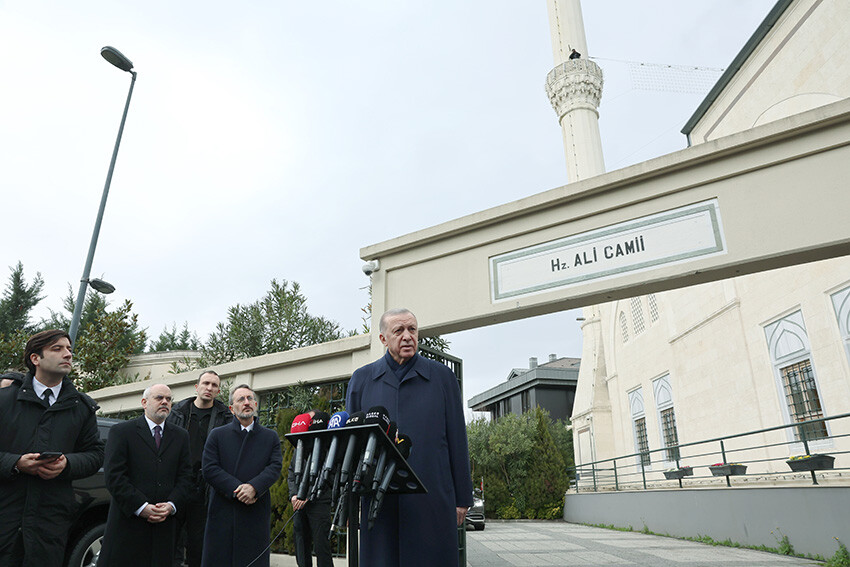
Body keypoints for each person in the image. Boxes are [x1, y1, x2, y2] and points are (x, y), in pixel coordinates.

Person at [345, 308, 473, 567]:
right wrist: (351, 500)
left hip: (432, 498)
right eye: (399, 330)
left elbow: (457, 438)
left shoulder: (442, 378)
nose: (407, 336)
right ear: (383, 339)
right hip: (380, 504)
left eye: (412, 330)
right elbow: (353, 445)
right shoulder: (362, 379)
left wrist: (463, 498)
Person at [0, 329, 104, 567]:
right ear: (35, 358)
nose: (67, 354)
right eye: (57, 349)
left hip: (49, 526)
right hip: (6, 518)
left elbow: (96, 454)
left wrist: (67, 464)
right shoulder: (4, 401)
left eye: (69, 349)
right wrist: (15, 463)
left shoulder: (82, 408)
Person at [99, 383, 193, 567]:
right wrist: (141, 507)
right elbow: (114, 476)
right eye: (159, 398)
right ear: (144, 402)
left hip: (164, 528)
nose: (165, 402)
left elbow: (186, 477)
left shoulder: (181, 436)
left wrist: (171, 505)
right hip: (128, 526)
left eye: (168, 399)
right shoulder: (122, 432)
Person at [201, 384, 283, 567]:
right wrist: (237, 489)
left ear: (255, 403)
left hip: (255, 511)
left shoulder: (270, 437)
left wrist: (254, 487)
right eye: (241, 399)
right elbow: (210, 468)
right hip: (223, 511)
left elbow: (275, 466)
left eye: (250, 398)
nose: (247, 403)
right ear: (232, 408)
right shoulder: (217, 435)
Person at [167, 370, 232, 567]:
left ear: (218, 390)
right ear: (197, 387)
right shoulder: (177, 412)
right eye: (206, 383)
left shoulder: (225, 417)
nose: (209, 388)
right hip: (177, 484)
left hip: (206, 488)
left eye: (214, 385)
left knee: (199, 545)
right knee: (170, 541)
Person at [287, 410, 333, 567]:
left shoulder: (328, 445)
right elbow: (291, 472)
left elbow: (327, 474)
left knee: (322, 546)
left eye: (312, 420)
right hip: (298, 503)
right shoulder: (300, 445)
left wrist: (307, 494)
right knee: (300, 542)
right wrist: (294, 495)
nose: (309, 422)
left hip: (319, 502)